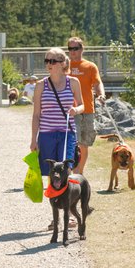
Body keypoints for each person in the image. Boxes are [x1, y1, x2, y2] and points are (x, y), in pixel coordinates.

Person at [30, 48, 84, 229]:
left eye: (52, 61)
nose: (48, 64)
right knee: (52, 174)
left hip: (67, 132)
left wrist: (76, 110)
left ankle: (68, 214)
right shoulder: (40, 85)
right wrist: (33, 139)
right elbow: (36, 114)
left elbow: (83, 104)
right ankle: (55, 216)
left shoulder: (73, 82)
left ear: (62, 63)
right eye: (46, 61)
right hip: (46, 134)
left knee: (66, 171)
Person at [67, 37, 106, 175]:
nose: (72, 51)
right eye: (70, 49)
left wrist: (101, 94)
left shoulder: (90, 66)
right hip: (71, 111)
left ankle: (79, 172)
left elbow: (97, 83)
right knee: (72, 143)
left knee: (84, 144)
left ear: (82, 49)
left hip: (88, 109)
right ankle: (71, 171)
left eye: (75, 48)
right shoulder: (65, 66)